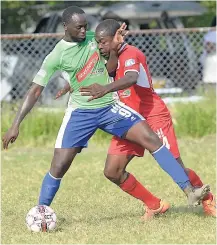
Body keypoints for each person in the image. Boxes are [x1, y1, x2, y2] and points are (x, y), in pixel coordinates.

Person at [2, 7, 209, 220]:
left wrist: (115, 40)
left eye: (85, 26)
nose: (84, 31)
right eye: (79, 27)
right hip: (81, 112)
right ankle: (42, 212)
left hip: (110, 105)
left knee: (150, 138)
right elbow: (35, 90)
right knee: (59, 165)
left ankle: (189, 190)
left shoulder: (94, 38)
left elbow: (110, 62)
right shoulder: (56, 55)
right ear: (66, 27)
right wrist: (16, 124)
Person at [77, 19, 215, 218]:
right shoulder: (114, 56)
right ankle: (155, 204)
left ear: (116, 37)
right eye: (98, 42)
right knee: (112, 171)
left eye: (103, 42)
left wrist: (105, 89)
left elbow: (131, 78)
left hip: (153, 115)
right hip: (128, 119)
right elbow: (109, 71)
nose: (100, 46)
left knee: (177, 167)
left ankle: (207, 197)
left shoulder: (133, 53)